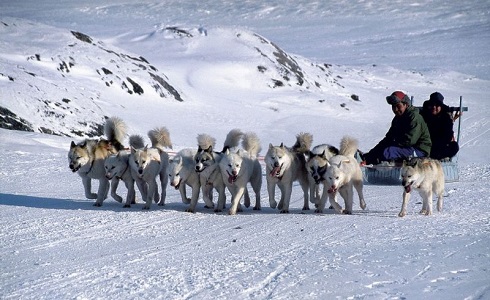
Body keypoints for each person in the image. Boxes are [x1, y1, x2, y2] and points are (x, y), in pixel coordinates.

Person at [362, 91, 432, 165]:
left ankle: (374, 163)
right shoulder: (398, 118)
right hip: (406, 148)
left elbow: (409, 141)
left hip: (419, 150)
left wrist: (391, 144)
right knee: (384, 148)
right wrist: (373, 152)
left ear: (406, 104)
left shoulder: (414, 118)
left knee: (389, 152)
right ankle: (368, 159)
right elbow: (389, 138)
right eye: (393, 106)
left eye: (398, 106)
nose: (395, 109)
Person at [420, 92, 459, 160]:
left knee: (454, 146)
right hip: (425, 145)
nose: (434, 107)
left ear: (441, 106)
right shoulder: (424, 115)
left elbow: (447, 135)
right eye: (432, 105)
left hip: (439, 146)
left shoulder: (446, 118)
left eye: (437, 105)